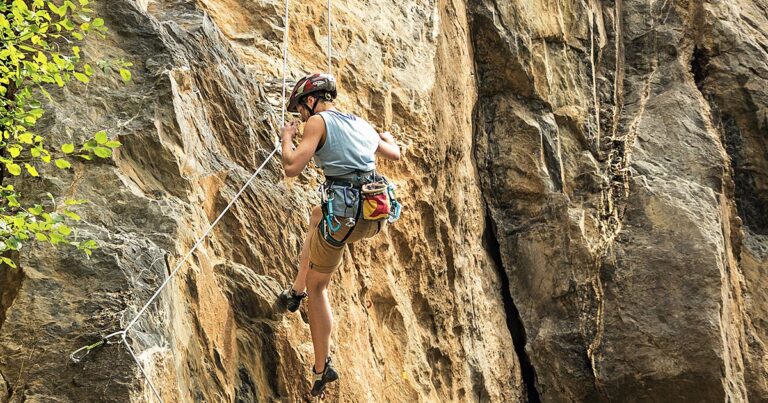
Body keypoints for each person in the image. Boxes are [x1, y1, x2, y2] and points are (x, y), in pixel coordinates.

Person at [278, 73, 401, 396]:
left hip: (346, 218)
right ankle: (295, 291)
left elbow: (291, 167)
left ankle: (321, 368)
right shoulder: (360, 123)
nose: (300, 116)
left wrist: (287, 136)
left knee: (320, 288)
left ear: (310, 100)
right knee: (317, 215)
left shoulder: (317, 123)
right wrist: (386, 136)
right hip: (374, 213)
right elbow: (394, 153)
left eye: (300, 109)